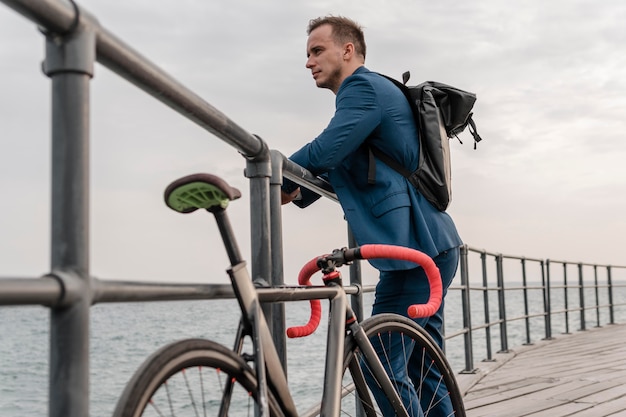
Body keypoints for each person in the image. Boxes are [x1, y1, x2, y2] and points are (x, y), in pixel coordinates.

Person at [281, 15, 463, 416]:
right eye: (307, 53)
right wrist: (299, 189)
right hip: (430, 246)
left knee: (377, 364)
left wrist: (278, 171)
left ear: (347, 51)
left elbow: (327, 148)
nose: (308, 62)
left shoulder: (361, 87)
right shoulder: (370, 94)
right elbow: (339, 161)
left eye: (317, 51)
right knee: (422, 367)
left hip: (416, 248)